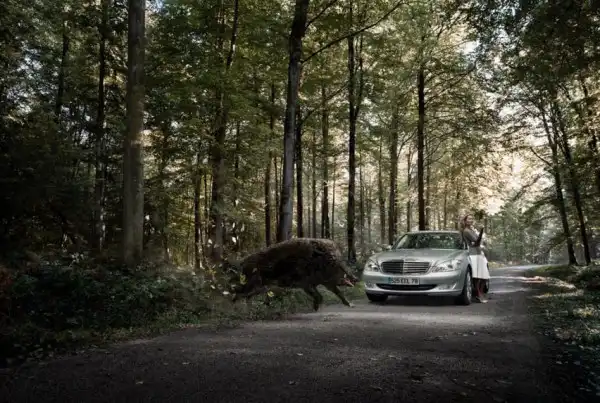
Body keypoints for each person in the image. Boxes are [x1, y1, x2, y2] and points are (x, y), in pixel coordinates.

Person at [460, 214, 490, 303]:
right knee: (477, 276)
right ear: (465, 221)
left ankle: (479, 294)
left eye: (472, 218)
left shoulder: (472, 230)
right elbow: (476, 242)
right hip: (473, 255)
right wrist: (481, 232)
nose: (471, 220)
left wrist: (479, 234)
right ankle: (478, 295)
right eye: (469, 219)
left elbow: (478, 241)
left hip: (479, 253)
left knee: (484, 276)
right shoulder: (466, 231)